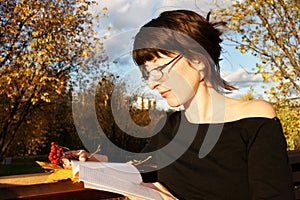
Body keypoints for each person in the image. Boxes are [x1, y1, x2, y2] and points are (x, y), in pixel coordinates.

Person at [129, 9, 295, 199]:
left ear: (198, 60)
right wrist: (94, 161)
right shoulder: (168, 128)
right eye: (147, 74)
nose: (152, 83)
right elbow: (135, 167)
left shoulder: (255, 119)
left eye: (159, 69)